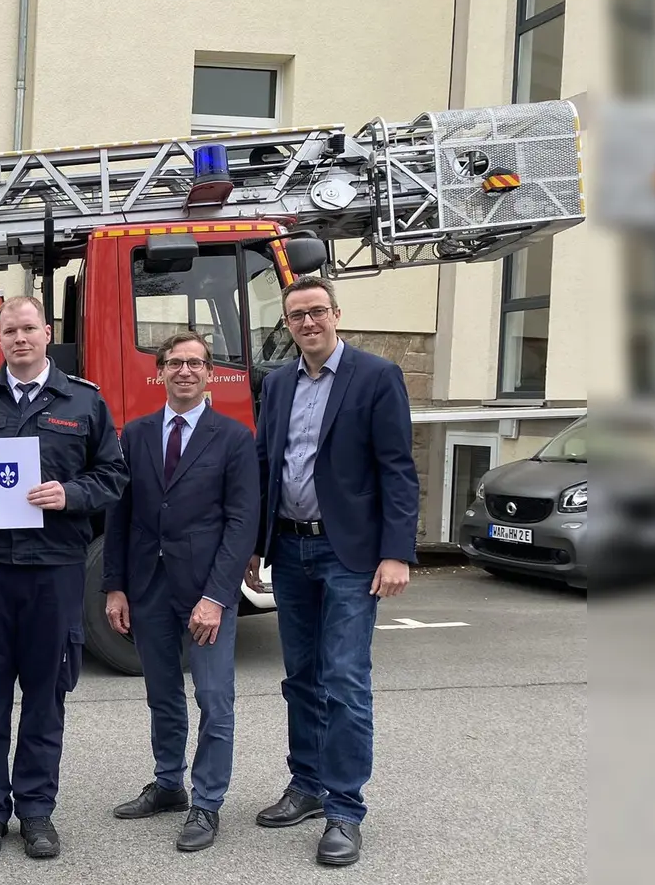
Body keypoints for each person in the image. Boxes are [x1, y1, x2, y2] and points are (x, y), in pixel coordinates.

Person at [0, 295, 128, 860]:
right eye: (9, 331)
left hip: (55, 570)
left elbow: (113, 476)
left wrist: (70, 494)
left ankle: (38, 812)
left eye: (28, 329)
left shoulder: (84, 402)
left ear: (48, 333)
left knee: (45, 698)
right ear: (1, 339)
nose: (19, 339)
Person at [244, 274, 419, 867]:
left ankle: (344, 809)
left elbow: (397, 468)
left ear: (336, 315)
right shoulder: (276, 383)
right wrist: (254, 540)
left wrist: (396, 552)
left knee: (344, 679)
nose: (308, 323)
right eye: (297, 316)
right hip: (289, 551)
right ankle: (308, 785)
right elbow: (268, 463)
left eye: (317, 312)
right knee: (302, 677)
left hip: (349, 555)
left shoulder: (375, 376)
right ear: (287, 325)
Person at [101, 331, 259, 852]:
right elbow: (119, 517)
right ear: (161, 372)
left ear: (209, 373)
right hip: (147, 588)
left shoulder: (234, 438)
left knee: (214, 698)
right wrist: (115, 587)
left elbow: (241, 524)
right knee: (162, 696)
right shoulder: (137, 435)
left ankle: (207, 803)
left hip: (205, 592)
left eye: (195, 363)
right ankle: (169, 784)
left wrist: (217, 597)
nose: (185, 371)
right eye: (175, 363)